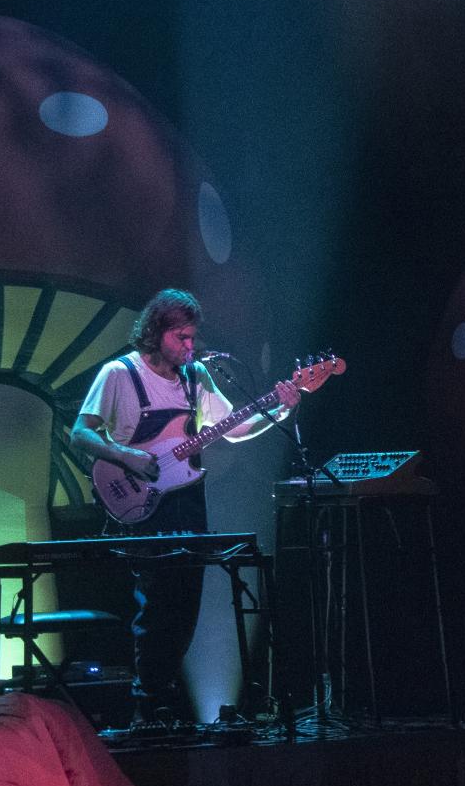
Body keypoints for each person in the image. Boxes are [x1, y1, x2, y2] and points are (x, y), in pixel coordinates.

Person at [70, 288, 299, 724]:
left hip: (189, 499)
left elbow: (234, 426)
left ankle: (165, 702)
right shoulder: (119, 374)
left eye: (193, 337)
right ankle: (148, 706)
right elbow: (80, 433)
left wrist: (280, 410)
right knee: (156, 603)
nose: (190, 346)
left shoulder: (196, 377)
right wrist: (124, 455)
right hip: (141, 497)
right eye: (182, 337)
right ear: (156, 332)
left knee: (186, 600)